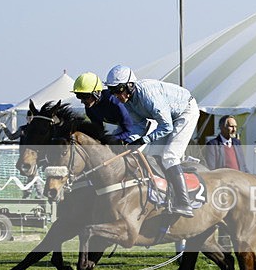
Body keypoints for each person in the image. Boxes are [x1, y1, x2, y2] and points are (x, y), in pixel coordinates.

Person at [104, 65, 200, 217]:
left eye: (118, 90)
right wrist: (124, 140)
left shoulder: (148, 95)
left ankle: (184, 203)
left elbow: (166, 126)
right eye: (112, 91)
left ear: (129, 85)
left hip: (185, 112)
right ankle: (166, 197)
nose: (116, 95)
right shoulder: (127, 101)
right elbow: (138, 126)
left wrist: (143, 140)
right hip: (168, 117)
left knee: (169, 156)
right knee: (153, 156)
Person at [72, 71, 138, 144]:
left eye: (85, 96)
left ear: (96, 93)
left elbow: (130, 130)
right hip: (125, 127)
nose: (82, 101)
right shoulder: (90, 108)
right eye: (79, 96)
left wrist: (113, 138)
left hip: (140, 126)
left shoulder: (115, 103)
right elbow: (99, 133)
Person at [0, 109, 43, 199]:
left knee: (33, 174)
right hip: (24, 157)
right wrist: (5, 128)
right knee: (32, 175)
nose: (31, 119)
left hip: (34, 157)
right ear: (27, 118)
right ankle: (35, 194)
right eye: (29, 117)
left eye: (32, 118)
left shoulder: (38, 130)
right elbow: (12, 137)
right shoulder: (23, 129)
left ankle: (32, 194)